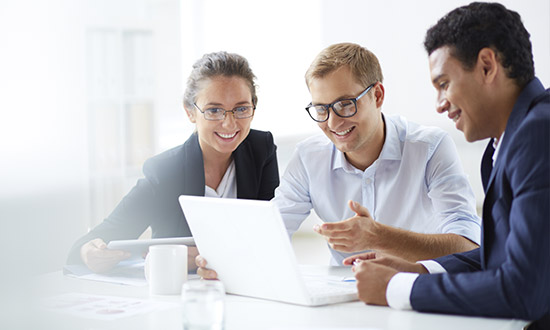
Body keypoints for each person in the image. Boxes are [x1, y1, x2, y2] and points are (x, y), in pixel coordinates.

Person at [196, 42, 481, 279]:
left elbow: (469, 247)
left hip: (419, 293)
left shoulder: (429, 148)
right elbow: (272, 231)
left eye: (345, 104)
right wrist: (221, 262)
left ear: (378, 95)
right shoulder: (309, 157)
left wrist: (378, 237)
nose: (333, 122)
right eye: (321, 108)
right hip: (346, 298)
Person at [350, 3, 549, 329]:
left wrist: (396, 288)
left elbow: (525, 289)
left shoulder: (538, 134)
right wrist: (419, 269)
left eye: (443, 83)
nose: (440, 105)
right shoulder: (505, 142)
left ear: (487, 66)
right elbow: (501, 257)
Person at [67, 51, 280, 273]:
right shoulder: (166, 172)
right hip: (180, 292)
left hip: (245, 286)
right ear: (190, 112)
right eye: (214, 110)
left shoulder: (260, 149)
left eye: (241, 109)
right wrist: (88, 252)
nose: (229, 123)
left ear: (253, 108)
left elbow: (271, 236)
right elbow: (102, 236)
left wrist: (212, 255)